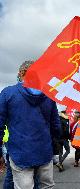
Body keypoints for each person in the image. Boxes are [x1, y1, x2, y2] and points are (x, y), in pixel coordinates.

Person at [0, 60, 61, 189]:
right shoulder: (48, 95)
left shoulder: (8, 93)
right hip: (44, 152)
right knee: (46, 186)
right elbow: (56, 126)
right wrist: (54, 148)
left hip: (20, 153)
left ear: (22, 73)